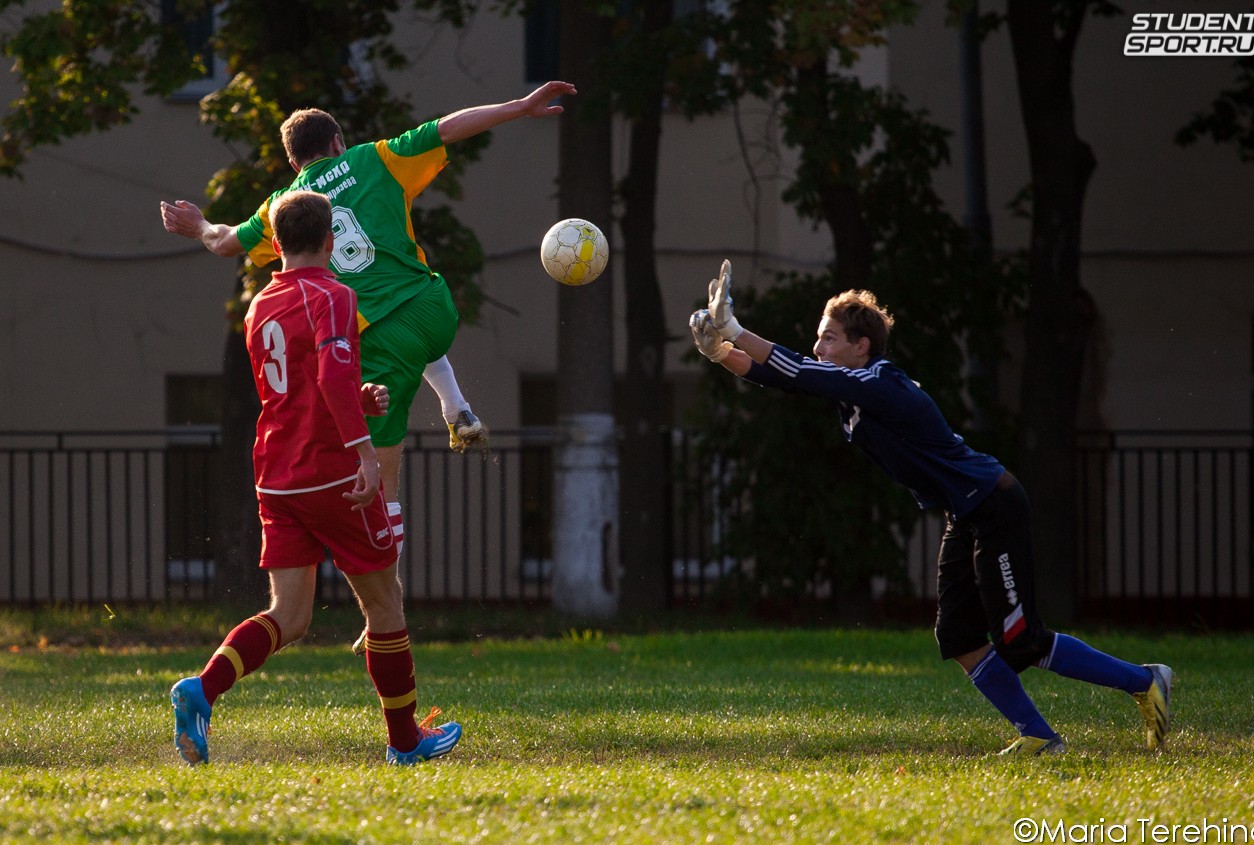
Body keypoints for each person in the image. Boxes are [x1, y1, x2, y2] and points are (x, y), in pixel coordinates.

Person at [688, 260, 1173, 755]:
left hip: (993, 506)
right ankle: (1040, 737)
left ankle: (1143, 679)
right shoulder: (853, 387)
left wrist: (735, 331)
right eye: (819, 337)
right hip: (966, 513)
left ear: (862, 347)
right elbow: (785, 377)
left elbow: (799, 370)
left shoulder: (879, 382)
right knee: (959, 635)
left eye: (829, 338)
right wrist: (720, 351)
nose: (818, 348)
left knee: (1021, 640)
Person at [160, 79, 576, 551]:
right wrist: (519, 106)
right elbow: (448, 127)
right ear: (338, 142)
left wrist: (197, 226)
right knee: (418, 331)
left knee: (382, 474)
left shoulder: (284, 206)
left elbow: (224, 241)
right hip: (433, 308)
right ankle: (455, 404)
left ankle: (387, 592)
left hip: (376, 337)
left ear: (294, 163)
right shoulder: (375, 156)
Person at [169, 190, 461, 767]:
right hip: (333, 473)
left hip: (277, 476)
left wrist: (360, 398)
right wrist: (366, 453)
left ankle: (201, 690)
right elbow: (328, 376)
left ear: (276, 244)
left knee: (290, 616)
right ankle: (405, 742)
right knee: (384, 603)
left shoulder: (260, 305)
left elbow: (302, 387)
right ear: (330, 243)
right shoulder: (334, 294)